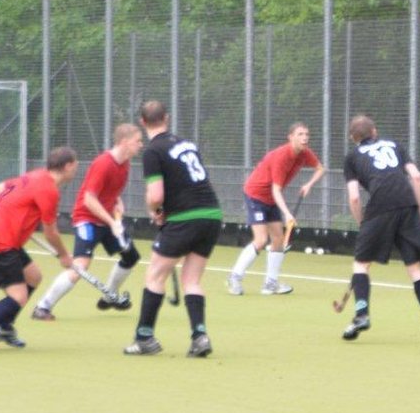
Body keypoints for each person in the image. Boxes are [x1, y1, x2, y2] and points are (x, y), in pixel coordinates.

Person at [0, 146, 78, 355]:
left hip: (3, 238)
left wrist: (16, 213)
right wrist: (64, 256)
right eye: (75, 166)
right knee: (18, 296)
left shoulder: (37, 175)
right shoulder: (49, 190)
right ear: (67, 166)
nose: (75, 170)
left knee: (33, 277)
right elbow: (50, 232)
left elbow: (0, 187)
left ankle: (4, 328)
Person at [124, 100, 222, 357]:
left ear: (142, 122)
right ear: (166, 118)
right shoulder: (188, 144)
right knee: (192, 279)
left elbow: (156, 195)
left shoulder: (152, 151)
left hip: (184, 218)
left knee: (155, 275)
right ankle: (200, 336)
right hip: (211, 215)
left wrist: (155, 212)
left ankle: (144, 337)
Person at [340, 115, 420, 343]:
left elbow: (354, 198)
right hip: (407, 204)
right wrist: (418, 213)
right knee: (415, 269)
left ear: (352, 138)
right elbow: (416, 177)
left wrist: (363, 224)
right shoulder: (395, 145)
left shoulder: (352, 157)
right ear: (374, 131)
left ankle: (361, 314)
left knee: (361, 264)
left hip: (380, 207)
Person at [33, 123, 144, 320]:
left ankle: (110, 296)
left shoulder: (125, 163)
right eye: (138, 141)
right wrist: (112, 222)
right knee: (80, 265)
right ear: (125, 142)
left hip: (106, 219)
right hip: (87, 219)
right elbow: (89, 199)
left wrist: (117, 203)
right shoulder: (103, 163)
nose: (141, 145)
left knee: (130, 256)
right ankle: (43, 307)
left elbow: (110, 191)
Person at [228, 122, 325, 296]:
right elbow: (276, 189)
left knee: (278, 240)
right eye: (300, 134)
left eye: (307, 134)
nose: (305, 138)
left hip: (272, 198)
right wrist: (287, 214)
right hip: (256, 195)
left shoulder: (305, 153)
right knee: (261, 240)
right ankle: (234, 277)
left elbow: (320, 168)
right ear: (291, 137)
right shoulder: (282, 156)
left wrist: (309, 184)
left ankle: (270, 284)